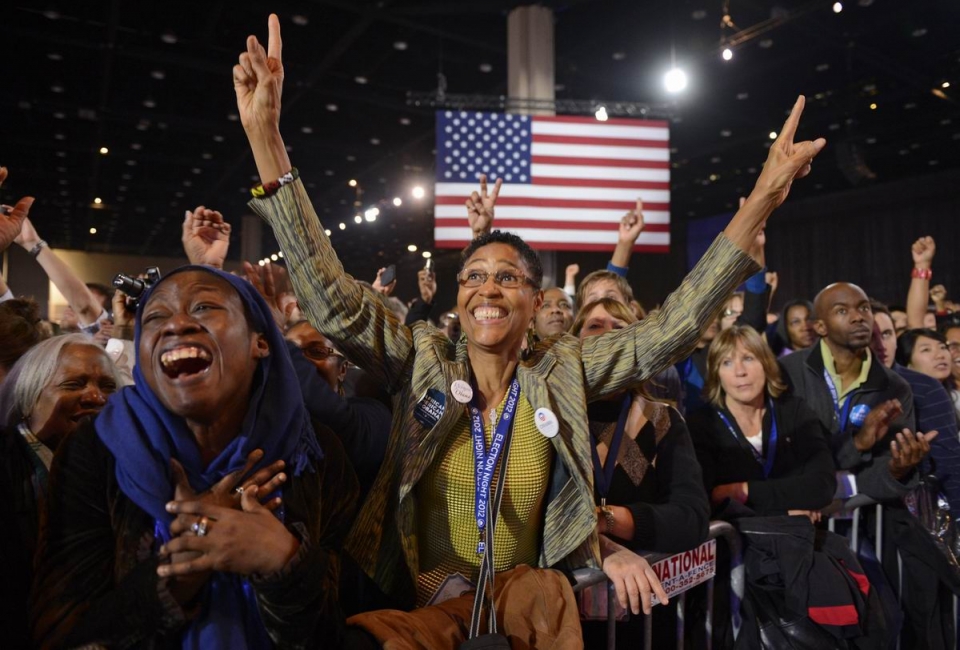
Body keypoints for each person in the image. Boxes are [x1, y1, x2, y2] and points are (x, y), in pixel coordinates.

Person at [235, 14, 825, 646]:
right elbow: (331, 303)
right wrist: (267, 139)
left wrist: (762, 194)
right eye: (473, 277)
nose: (486, 288)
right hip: (421, 604)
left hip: (523, 616)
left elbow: (673, 329)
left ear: (537, 299)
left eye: (506, 278)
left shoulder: (563, 370)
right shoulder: (424, 357)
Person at [30, 266, 359, 648]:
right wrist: (182, 568)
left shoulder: (313, 452)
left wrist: (283, 558)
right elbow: (60, 634)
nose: (177, 324)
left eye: (204, 307)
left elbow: (348, 629)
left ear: (261, 341)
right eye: (155, 316)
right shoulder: (97, 448)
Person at [687, 326, 889, 646]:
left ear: (766, 364)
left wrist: (744, 491)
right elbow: (709, 496)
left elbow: (822, 486)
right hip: (732, 569)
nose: (739, 371)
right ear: (715, 374)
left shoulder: (793, 411)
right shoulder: (702, 424)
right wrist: (787, 505)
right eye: (726, 363)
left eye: (748, 358)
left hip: (796, 557)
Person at [573, 298, 708, 648]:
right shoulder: (550, 418)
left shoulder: (662, 420)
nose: (607, 336)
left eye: (620, 328)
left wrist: (609, 519)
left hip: (645, 616)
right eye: (594, 326)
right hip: (565, 615)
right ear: (576, 343)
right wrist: (605, 548)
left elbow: (691, 518)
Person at [0, 333, 122, 648]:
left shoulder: (127, 472)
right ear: (29, 395)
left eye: (108, 387)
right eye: (73, 385)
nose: (96, 398)